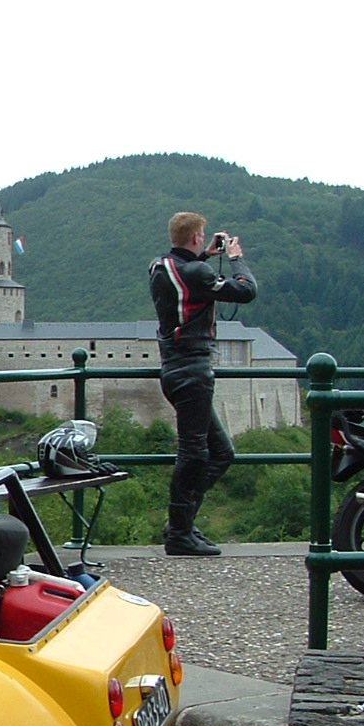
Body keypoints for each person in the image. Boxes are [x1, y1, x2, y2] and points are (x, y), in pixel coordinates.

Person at [148, 211, 257, 556]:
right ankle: (179, 533)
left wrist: (206, 254)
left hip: (173, 368)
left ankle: (180, 524)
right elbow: (246, 291)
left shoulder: (159, 266)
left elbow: (188, 275)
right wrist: (235, 259)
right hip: (193, 369)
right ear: (196, 237)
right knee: (194, 453)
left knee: (221, 453)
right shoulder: (197, 273)